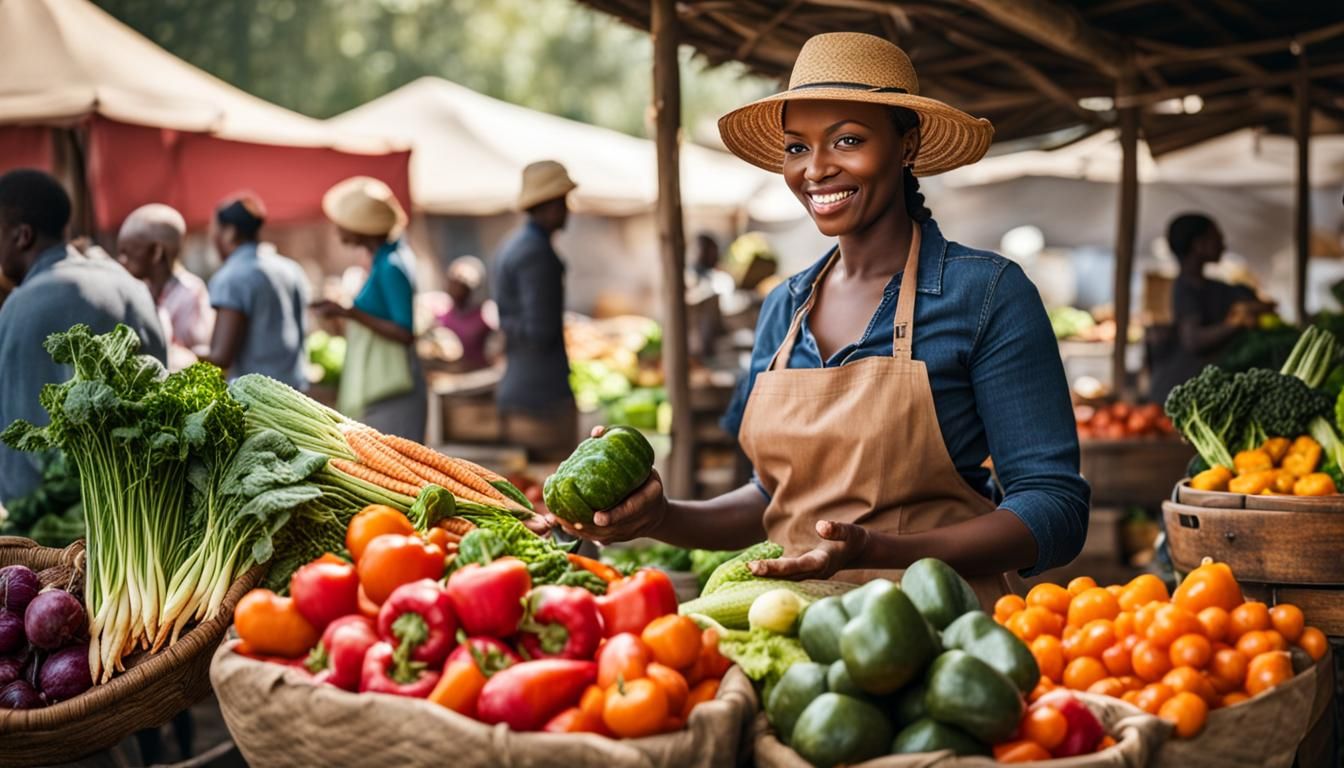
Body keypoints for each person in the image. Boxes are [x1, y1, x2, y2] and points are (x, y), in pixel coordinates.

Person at [546, 33, 1090, 602]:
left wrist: (883, 551)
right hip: (788, 627)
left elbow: (1054, 507)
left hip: (935, 633)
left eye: (847, 140)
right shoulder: (784, 307)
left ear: (907, 147)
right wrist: (659, 516)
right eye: (797, 148)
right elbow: (772, 498)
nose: (816, 170)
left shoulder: (984, 294)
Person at [0, 169, 166, 504]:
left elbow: (17, 453)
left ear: (22, 236)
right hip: (142, 510)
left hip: (51, 533)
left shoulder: (21, 305)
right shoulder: (131, 286)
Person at [313, 176, 426, 441]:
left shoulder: (391, 265)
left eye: (342, 222)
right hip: (383, 392)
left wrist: (350, 312)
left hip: (393, 395)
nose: (336, 228)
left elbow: (404, 331)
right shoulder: (383, 260)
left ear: (361, 227)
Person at [492, 160, 579, 459]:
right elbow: (540, 331)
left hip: (524, 390)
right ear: (548, 205)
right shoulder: (536, 254)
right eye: (563, 202)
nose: (568, 210)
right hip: (541, 401)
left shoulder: (515, 245)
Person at [1149, 213, 1272, 400]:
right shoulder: (1184, 290)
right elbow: (1193, 340)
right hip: (1184, 391)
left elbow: (1256, 302)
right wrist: (1236, 324)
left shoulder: (1215, 287)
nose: (1223, 245)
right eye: (1217, 238)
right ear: (1198, 245)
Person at [200, 194, 309, 390]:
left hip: (259, 403)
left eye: (213, 230)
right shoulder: (291, 269)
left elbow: (221, 357)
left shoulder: (232, 277)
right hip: (296, 393)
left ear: (230, 232)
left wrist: (183, 353)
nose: (212, 238)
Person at [115, 203, 215, 370]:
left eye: (127, 252)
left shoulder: (190, 292)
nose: (121, 261)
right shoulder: (133, 290)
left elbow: (199, 355)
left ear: (156, 252)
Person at [437, 255, 494, 371]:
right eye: (453, 281)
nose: (456, 287)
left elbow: (494, 352)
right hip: (451, 378)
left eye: (463, 282)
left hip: (480, 376)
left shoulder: (485, 315)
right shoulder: (441, 314)